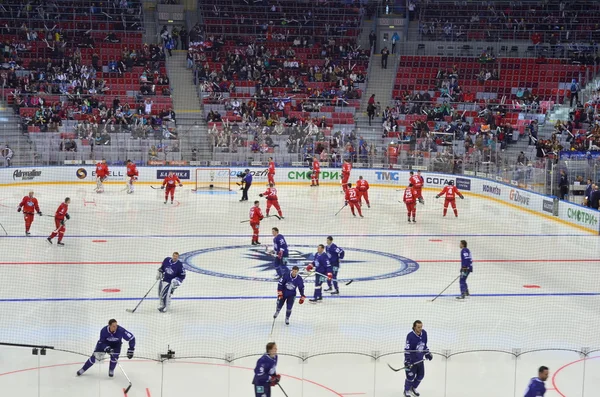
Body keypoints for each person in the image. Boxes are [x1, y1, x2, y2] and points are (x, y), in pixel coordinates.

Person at [403, 320, 433, 397]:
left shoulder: (424, 333)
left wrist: (427, 353)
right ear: (414, 327)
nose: (420, 329)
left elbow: (424, 345)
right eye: (418, 327)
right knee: (410, 377)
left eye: (421, 327)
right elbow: (407, 349)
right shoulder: (410, 336)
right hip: (411, 361)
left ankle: (413, 388)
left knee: (421, 376)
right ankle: (406, 390)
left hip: (420, 360)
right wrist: (407, 361)